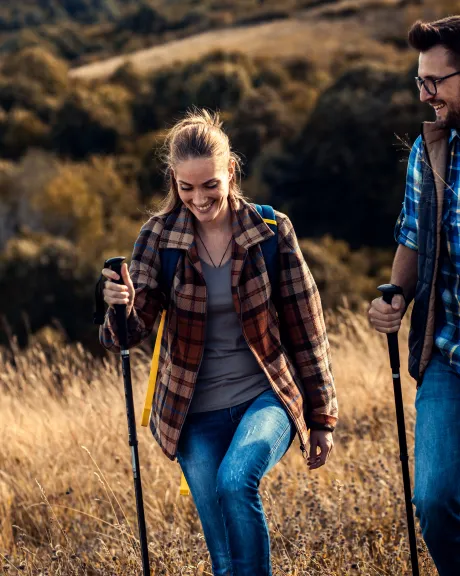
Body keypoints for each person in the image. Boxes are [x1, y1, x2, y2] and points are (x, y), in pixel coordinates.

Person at [99, 109, 338, 576]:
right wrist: (119, 303)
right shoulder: (158, 237)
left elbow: (307, 326)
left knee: (235, 482)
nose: (199, 198)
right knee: (225, 562)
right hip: (191, 411)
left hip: (264, 396)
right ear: (173, 180)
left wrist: (322, 417)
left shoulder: (270, 230)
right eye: (186, 188)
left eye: (209, 184)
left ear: (230, 171)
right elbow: (129, 333)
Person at [368, 16, 460, 576]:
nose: (425, 94)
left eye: (436, 82)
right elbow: (411, 234)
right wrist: (395, 296)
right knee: (434, 500)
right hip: (446, 353)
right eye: (418, 81)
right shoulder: (429, 151)